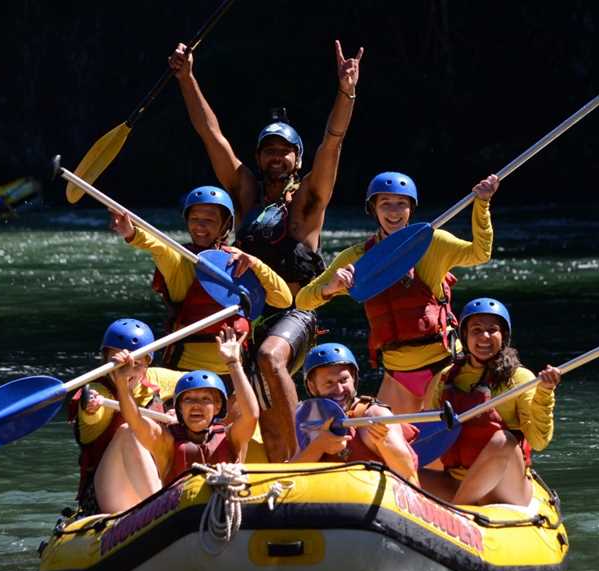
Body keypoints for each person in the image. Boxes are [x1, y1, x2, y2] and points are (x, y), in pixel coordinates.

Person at [167, 39, 363, 461]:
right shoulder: (245, 192)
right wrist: (186, 78)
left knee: (274, 359)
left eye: (285, 151)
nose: (277, 157)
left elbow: (334, 141)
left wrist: (346, 91)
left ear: (297, 158)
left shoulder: (310, 197)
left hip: (297, 311)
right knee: (270, 428)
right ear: (259, 157)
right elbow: (210, 133)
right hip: (250, 316)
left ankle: (309, 450)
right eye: (269, 151)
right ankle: (274, 471)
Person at [295, 172, 499, 414]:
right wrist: (331, 288)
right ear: (374, 209)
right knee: (384, 443)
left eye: (401, 203)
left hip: (442, 365)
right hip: (397, 372)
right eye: (385, 204)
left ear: (411, 208)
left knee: (444, 443)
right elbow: (303, 300)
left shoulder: (435, 243)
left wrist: (482, 205)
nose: (394, 211)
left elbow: (479, 253)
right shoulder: (357, 258)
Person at [109, 186, 291, 429]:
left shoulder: (238, 262)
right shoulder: (180, 260)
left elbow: (284, 300)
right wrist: (132, 233)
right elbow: (159, 246)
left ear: (225, 224)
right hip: (184, 374)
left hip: (234, 371)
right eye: (194, 219)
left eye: (209, 220)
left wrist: (256, 264)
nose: (200, 226)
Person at [94, 325, 258, 514]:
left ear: (218, 407)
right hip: (176, 518)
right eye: (188, 400)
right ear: (178, 408)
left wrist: (234, 363)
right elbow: (134, 421)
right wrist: (123, 384)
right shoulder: (167, 442)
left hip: (225, 512)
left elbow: (251, 414)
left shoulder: (232, 438)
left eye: (205, 400)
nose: (197, 405)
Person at [419, 298, 561, 506]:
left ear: (503, 336)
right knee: (398, 470)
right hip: (457, 481)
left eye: (492, 330)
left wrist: (545, 393)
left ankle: (457, 512)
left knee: (502, 440)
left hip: (505, 487)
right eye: (476, 330)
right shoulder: (445, 378)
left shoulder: (520, 379)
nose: (485, 336)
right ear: (465, 336)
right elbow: (427, 436)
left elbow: (539, 441)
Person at [68, 318, 182, 514]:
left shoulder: (157, 378)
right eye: (120, 366)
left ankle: (165, 505)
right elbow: (91, 416)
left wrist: (182, 409)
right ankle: (162, 511)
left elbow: (201, 388)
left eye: (137, 364)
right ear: (105, 362)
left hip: (155, 479)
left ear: (148, 363)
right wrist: (90, 408)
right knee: (130, 430)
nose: (129, 372)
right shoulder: (97, 392)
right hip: (108, 491)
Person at [293, 343, 419, 484]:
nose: (339, 390)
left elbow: (409, 476)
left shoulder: (373, 415)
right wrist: (318, 446)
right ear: (312, 386)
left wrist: (384, 445)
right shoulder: (309, 421)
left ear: (353, 378)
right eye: (329, 383)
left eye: (344, 380)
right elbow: (287, 476)